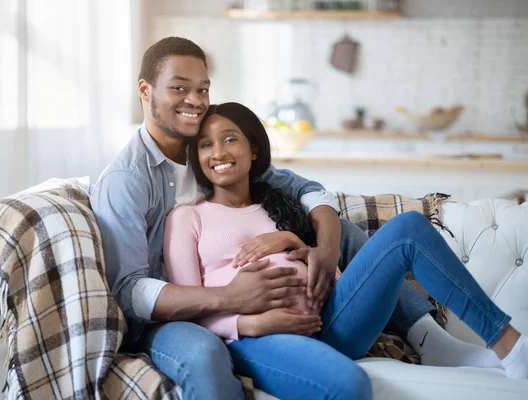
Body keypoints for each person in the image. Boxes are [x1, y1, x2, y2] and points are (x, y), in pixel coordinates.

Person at [92, 36, 502, 399]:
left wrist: (317, 250)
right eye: (179, 88)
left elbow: (310, 192)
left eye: (202, 89)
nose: (195, 101)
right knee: (203, 353)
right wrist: (234, 305)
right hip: (177, 316)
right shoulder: (129, 181)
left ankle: (431, 337)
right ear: (145, 91)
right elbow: (129, 289)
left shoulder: (215, 152)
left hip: (308, 310)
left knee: (342, 230)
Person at [163, 101, 528, 399]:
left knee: (409, 229)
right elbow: (189, 305)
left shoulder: (281, 203)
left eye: (230, 140)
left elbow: (332, 274)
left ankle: (509, 346)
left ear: (254, 149)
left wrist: (297, 244)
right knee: (350, 386)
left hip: (331, 321)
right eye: (206, 145)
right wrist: (249, 324)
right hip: (261, 338)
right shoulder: (188, 218)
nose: (218, 153)